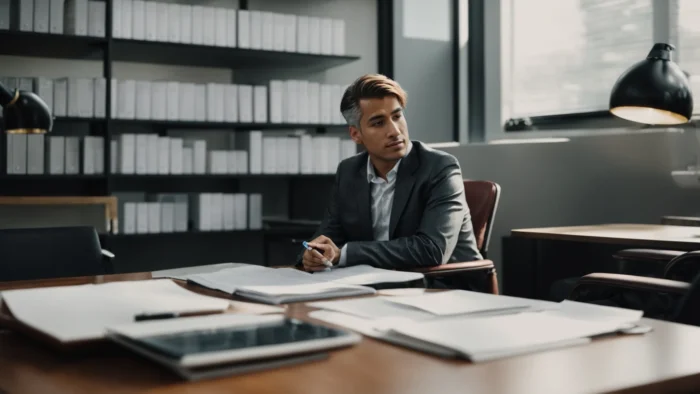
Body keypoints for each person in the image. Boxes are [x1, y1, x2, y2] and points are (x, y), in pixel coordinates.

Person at [299, 74, 482, 272]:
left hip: (445, 287)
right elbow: (327, 237)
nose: (394, 131)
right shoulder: (349, 172)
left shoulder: (440, 168)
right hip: (378, 284)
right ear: (356, 134)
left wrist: (344, 254)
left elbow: (432, 250)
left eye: (397, 116)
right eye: (378, 123)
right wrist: (313, 254)